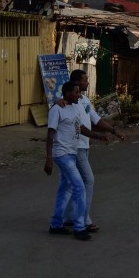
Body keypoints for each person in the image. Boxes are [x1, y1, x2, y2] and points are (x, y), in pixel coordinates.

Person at [57, 69, 124, 233]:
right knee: (88, 180)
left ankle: (66, 218)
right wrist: (99, 136)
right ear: (77, 83)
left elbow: (96, 119)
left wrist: (114, 131)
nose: (88, 82)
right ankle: (84, 219)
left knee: (70, 185)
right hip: (75, 147)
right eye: (85, 80)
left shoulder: (85, 100)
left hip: (85, 146)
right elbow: (78, 127)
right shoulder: (68, 102)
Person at [45, 80, 100, 241]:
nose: (79, 94)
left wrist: (99, 136)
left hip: (72, 153)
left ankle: (56, 225)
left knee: (65, 188)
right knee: (79, 187)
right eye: (76, 92)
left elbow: (81, 128)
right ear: (68, 93)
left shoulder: (73, 108)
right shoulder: (57, 109)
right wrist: (48, 158)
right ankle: (79, 227)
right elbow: (50, 134)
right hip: (62, 155)